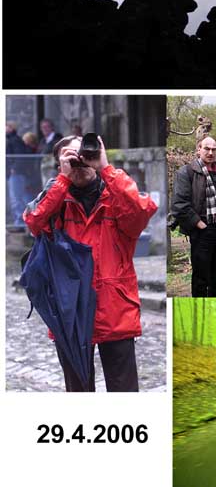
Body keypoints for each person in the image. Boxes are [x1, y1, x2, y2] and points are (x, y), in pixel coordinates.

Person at [23, 135, 157, 391]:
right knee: (79, 393)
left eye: (83, 153)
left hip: (115, 309)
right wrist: (62, 180)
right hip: (69, 313)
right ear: (60, 164)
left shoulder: (116, 196)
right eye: (71, 157)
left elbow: (142, 211)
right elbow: (33, 222)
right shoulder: (54, 199)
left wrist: (105, 167)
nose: (80, 161)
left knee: (125, 394)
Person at [170, 135, 216, 297]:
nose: (210, 152)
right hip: (201, 230)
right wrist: (200, 225)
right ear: (198, 149)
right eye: (207, 148)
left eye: (214, 149)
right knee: (201, 277)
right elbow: (179, 205)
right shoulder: (186, 172)